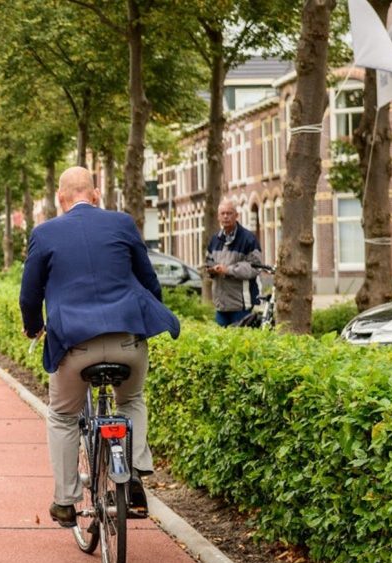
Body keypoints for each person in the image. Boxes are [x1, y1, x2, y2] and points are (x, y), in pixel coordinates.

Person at [19, 166, 180, 528]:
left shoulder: (44, 233)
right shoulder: (122, 223)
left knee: (62, 415)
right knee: (131, 400)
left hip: (74, 346)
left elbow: (29, 295)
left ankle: (65, 500)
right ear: (96, 194)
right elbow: (150, 283)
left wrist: (34, 328)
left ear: (60, 199)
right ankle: (135, 469)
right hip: (127, 339)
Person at [206, 199, 263, 327]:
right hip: (221, 306)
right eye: (223, 213)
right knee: (222, 344)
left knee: (241, 344)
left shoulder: (249, 239)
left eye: (229, 213)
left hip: (240, 305)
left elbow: (255, 267)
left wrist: (228, 270)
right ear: (218, 217)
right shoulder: (214, 240)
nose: (225, 216)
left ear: (237, 215)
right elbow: (209, 261)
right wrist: (211, 270)